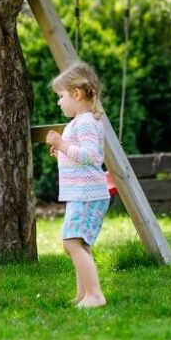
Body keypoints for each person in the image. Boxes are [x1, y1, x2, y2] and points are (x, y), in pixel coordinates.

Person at [45, 61, 111, 308]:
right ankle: (83, 294)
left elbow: (92, 156)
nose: (58, 102)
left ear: (76, 93)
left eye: (61, 96)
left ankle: (95, 295)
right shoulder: (81, 122)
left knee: (71, 243)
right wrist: (62, 153)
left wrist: (62, 145)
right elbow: (81, 155)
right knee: (79, 243)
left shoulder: (84, 122)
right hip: (83, 193)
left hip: (87, 194)